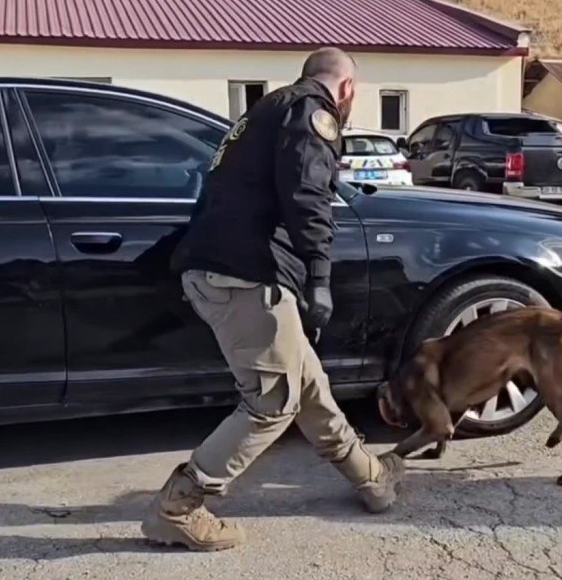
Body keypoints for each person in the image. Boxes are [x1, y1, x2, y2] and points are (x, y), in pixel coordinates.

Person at [140, 47, 405, 551]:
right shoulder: (312, 113)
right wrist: (320, 279)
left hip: (227, 267)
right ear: (346, 88)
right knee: (271, 403)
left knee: (307, 386)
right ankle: (178, 507)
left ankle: (372, 479)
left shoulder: (265, 109)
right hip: (245, 277)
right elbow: (308, 198)